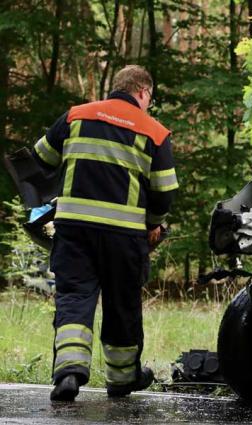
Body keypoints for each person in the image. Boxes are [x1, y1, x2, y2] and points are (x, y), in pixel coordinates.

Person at [32, 65, 178, 401]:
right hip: (124, 236)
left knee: (74, 296)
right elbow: (164, 190)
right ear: (143, 93)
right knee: (122, 303)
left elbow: (41, 158)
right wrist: (154, 222)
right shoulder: (154, 132)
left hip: (74, 229)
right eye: (149, 99)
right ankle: (122, 378)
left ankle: (69, 372)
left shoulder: (76, 116)